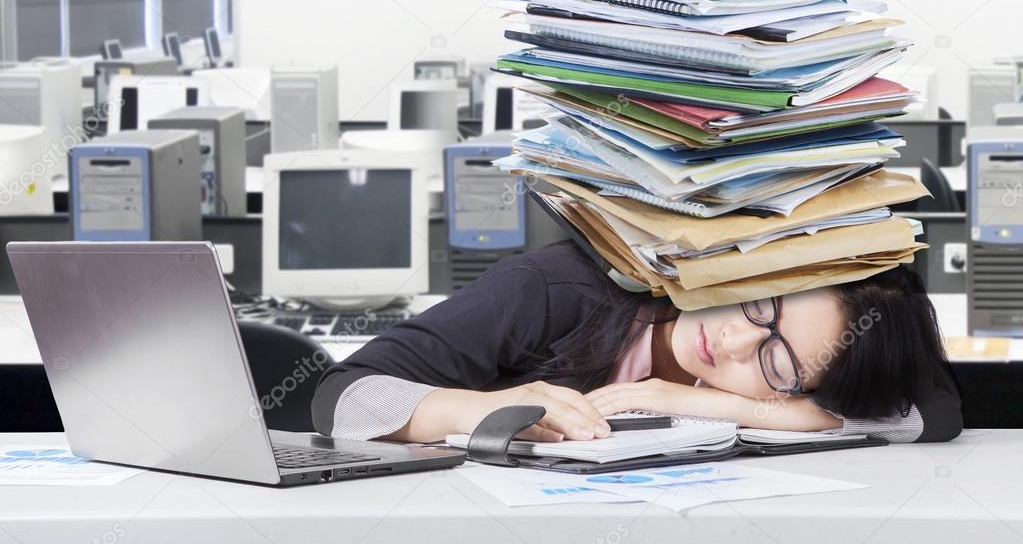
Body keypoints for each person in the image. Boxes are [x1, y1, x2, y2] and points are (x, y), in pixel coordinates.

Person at [311, 240, 962, 444]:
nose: (732, 340)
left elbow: (936, 412)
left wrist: (737, 407)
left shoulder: (768, 384)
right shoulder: (555, 287)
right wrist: (472, 409)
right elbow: (337, 396)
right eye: (761, 304)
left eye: (775, 360)